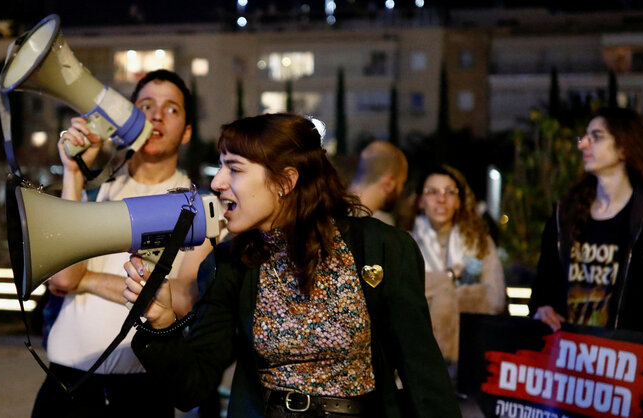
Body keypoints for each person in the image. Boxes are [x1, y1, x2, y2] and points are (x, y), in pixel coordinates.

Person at [123, 113, 461, 417]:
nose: (217, 182)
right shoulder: (229, 264)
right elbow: (192, 386)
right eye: (221, 165)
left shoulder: (383, 249)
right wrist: (163, 323)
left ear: (285, 182)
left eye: (235, 168)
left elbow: (423, 373)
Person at [32, 70, 213, 417]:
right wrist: (73, 172)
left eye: (171, 109)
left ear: (188, 131)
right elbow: (61, 275)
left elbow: (183, 297)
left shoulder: (198, 208)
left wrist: (86, 281)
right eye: (145, 105)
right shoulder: (96, 192)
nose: (156, 115)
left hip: (140, 392)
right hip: (64, 386)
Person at [528, 107, 643, 417]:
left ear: (626, 146)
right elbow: (544, 289)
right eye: (583, 137)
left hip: (635, 387)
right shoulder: (564, 218)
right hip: (571, 384)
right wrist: (543, 309)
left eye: (596, 137)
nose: (583, 145)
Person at [409, 165, 505, 367]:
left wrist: (444, 297)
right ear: (420, 200)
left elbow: (495, 297)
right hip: (419, 359)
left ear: (459, 201)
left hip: (473, 355)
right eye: (432, 191)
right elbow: (405, 294)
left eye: (449, 192)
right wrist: (451, 278)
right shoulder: (404, 243)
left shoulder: (479, 242)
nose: (441, 199)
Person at [348, 141, 408, 226]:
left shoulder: (328, 209)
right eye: (401, 183)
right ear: (389, 184)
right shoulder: (381, 226)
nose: (401, 190)